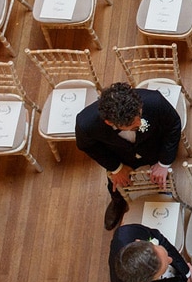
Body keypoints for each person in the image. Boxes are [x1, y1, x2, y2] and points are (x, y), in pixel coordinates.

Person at [77, 82, 183, 230]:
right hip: (120, 155)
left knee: (161, 178)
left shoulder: (155, 101)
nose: (140, 123)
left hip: (153, 147)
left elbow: (174, 125)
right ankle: (118, 202)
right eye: (133, 125)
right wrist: (116, 168)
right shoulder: (86, 124)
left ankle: (162, 192)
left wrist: (163, 163)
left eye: (139, 115)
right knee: (114, 184)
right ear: (109, 122)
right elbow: (87, 146)